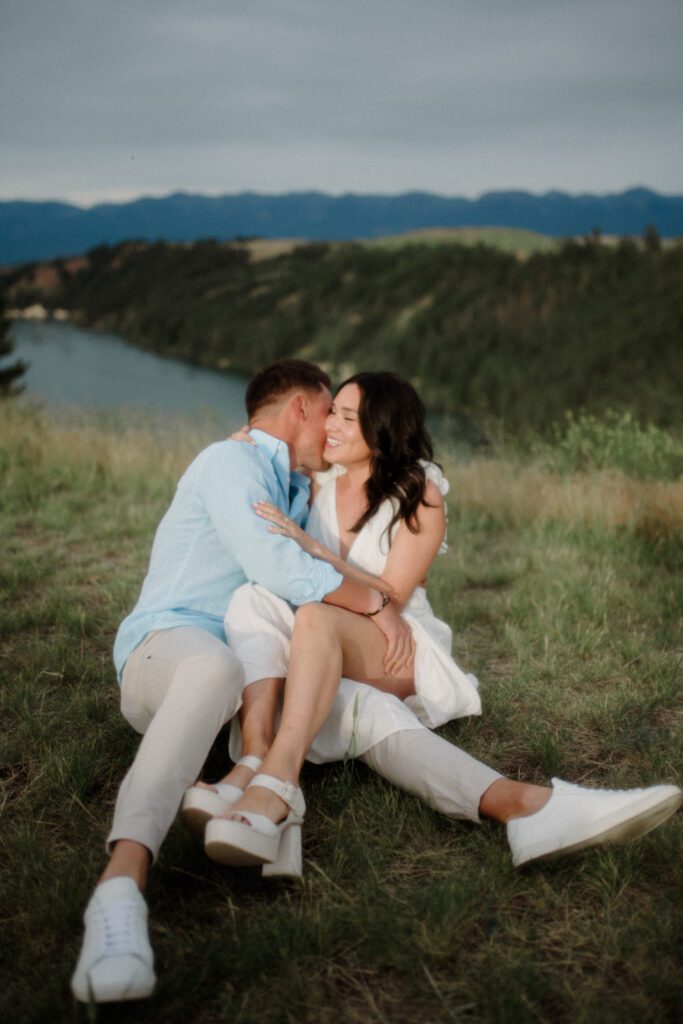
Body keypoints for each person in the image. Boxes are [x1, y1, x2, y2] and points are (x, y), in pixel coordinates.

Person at [194, 373, 681, 889]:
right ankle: (527, 809)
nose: (330, 424)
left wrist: (313, 548)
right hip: (330, 645)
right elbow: (266, 468)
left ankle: (271, 777)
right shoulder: (317, 483)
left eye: (346, 416)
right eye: (330, 410)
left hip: (393, 643)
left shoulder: (418, 495)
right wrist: (242, 446)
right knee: (267, 614)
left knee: (313, 616)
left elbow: (391, 594)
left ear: (380, 429)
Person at [71, 360, 416, 1004]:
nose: (337, 431)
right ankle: (119, 886)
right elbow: (274, 566)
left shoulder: (289, 486)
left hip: (244, 674)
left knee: (341, 708)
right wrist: (374, 605)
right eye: (331, 415)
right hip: (168, 649)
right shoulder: (230, 465)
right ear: (301, 411)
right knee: (218, 666)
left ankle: (268, 812)